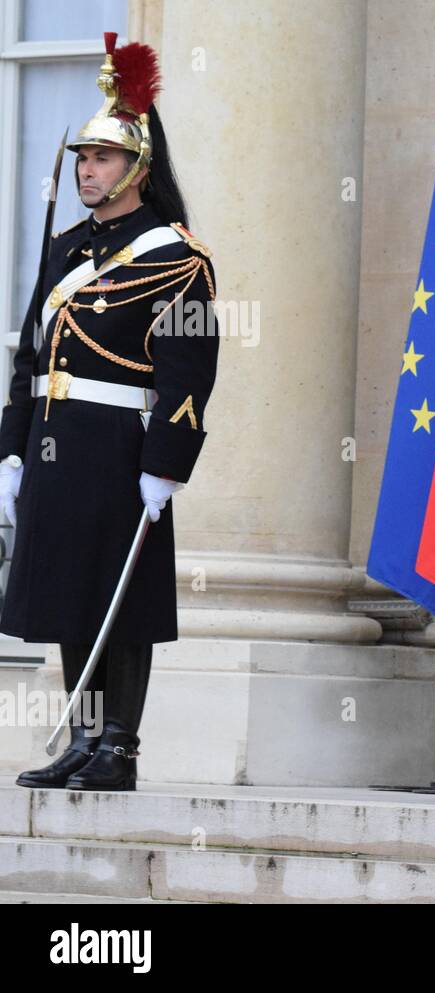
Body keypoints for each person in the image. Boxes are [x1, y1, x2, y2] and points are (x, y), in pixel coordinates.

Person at [4, 34, 219, 792]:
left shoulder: (177, 258)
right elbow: (31, 352)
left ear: (138, 167)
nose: (87, 171)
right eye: (82, 160)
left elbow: (192, 373)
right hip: (57, 439)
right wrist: (13, 447)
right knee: (68, 590)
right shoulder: (64, 249)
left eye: (101, 159)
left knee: (117, 596)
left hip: (122, 445)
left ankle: (118, 745)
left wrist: (167, 463)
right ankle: (82, 734)